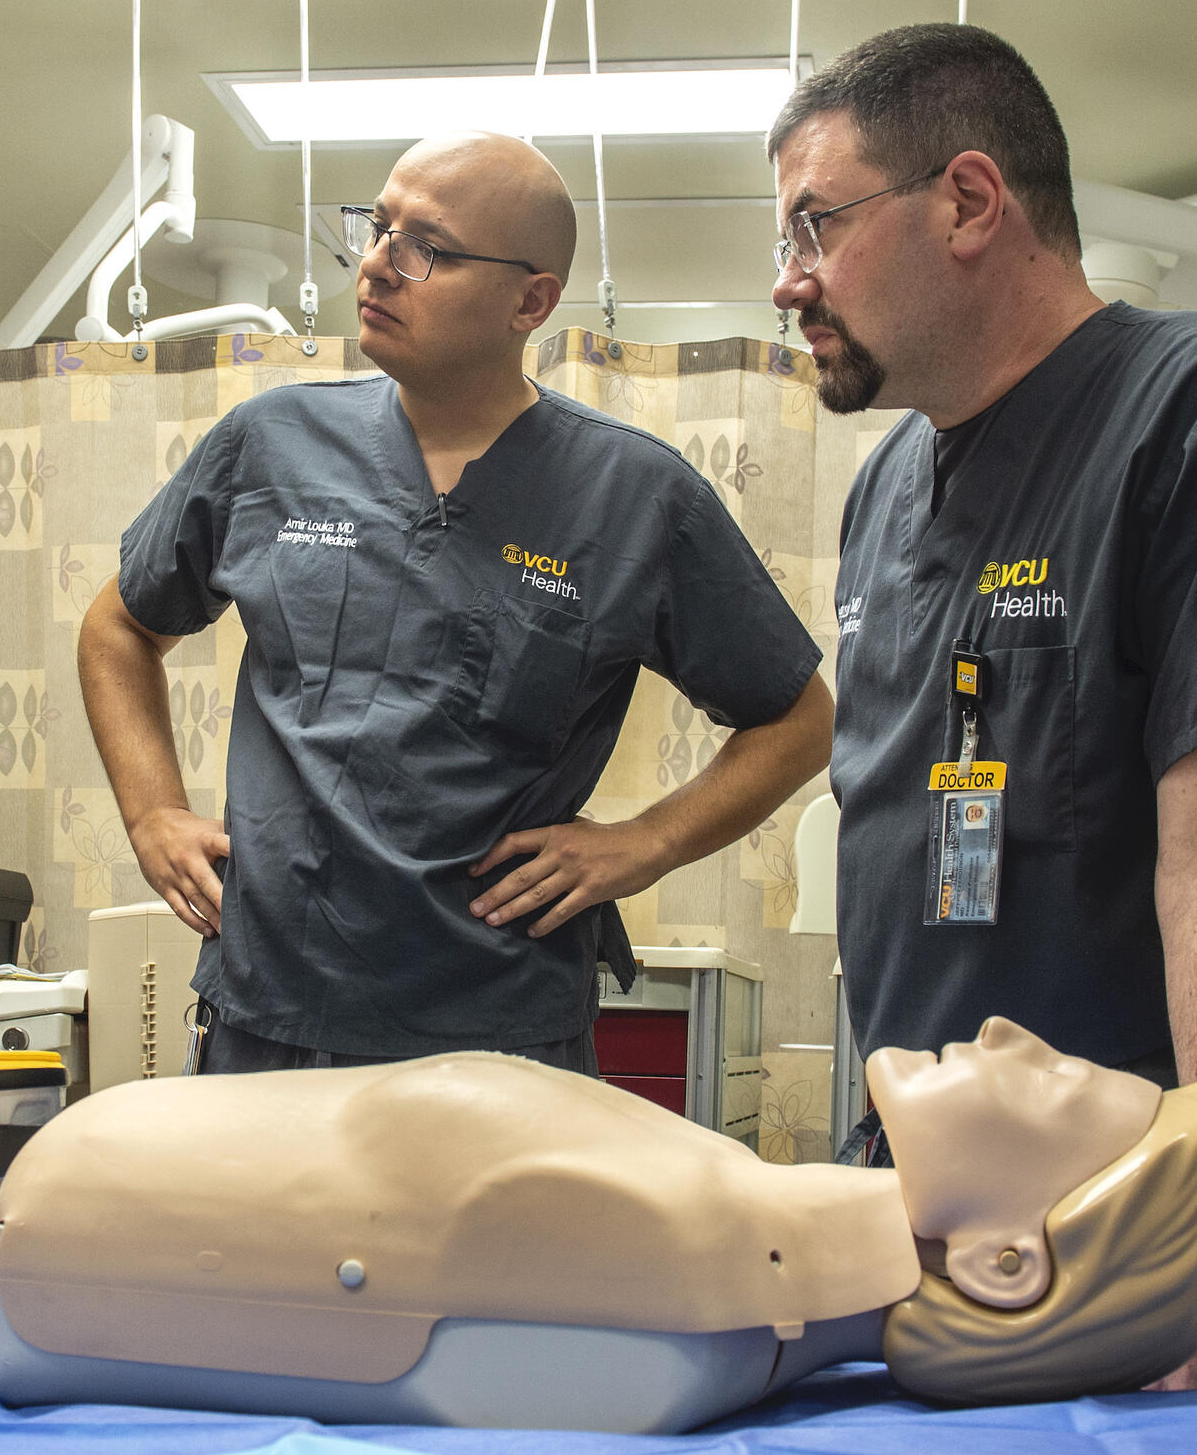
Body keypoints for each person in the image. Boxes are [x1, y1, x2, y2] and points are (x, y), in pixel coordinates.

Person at [768, 23, 1197, 1391]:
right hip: (914, 1220)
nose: (788, 279)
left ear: (968, 201)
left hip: (1117, 1233)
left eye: (817, 224)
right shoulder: (885, 491)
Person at [78, 131, 833, 1075]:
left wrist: (645, 845)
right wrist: (153, 814)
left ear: (532, 300)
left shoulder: (633, 496)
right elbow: (119, 626)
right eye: (377, 227)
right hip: (272, 1014)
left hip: (499, 1029)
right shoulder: (269, 446)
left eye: (425, 247)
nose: (377, 266)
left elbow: (798, 717)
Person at [0, 1016, 1197, 1430]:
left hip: (64, 1218)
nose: (1009, 1035)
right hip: (73, 1205)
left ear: (1003, 1261)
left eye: (1057, 1079)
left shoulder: (694, 1286)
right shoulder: (713, 1258)